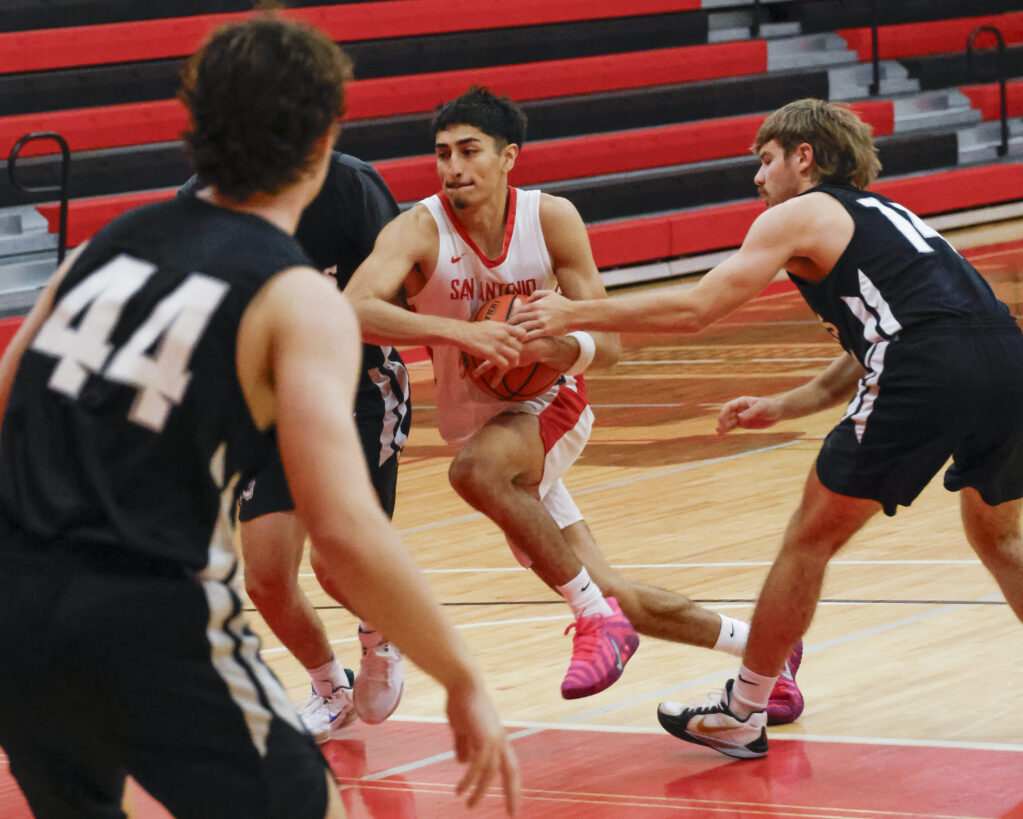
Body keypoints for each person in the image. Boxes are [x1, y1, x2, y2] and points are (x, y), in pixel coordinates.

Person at [0, 17, 519, 818]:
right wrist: (462, 675)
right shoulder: (292, 292)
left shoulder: (95, 254)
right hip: (146, 615)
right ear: (323, 136)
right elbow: (344, 528)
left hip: (16, 613)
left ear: (194, 122)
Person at [515, 97, 1023, 759]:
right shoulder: (889, 216)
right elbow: (875, 341)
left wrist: (570, 313)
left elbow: (700, 306)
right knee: (999, 537)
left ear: (803, 157)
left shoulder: (800, 213)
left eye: (766, 160)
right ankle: (752, 699)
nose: (757, 178)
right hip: (1006, 358)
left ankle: (744, 708)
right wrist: (787, 404)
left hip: (928, 363)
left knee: (806, 540)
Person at [345, 86, 804, 718]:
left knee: (475, 475)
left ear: (508, 157)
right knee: (609, 587)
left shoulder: (550, 218)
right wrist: (462, 332)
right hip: (479, 422)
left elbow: (608, 346)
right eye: (442, 153)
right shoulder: (418, 229)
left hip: (551, 404)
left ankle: (596, 621)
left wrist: (546, 351)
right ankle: (767, 653)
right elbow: (354, 308)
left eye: (469, 151)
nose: (453, 168)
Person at [181, 149, 412, 742]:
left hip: (360, 392)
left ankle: (379, 629)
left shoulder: (351, 187)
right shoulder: (203, 200)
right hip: (272, 404)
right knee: (264, 574)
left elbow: (399, 301)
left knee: (338, 561)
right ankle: (329, 688)